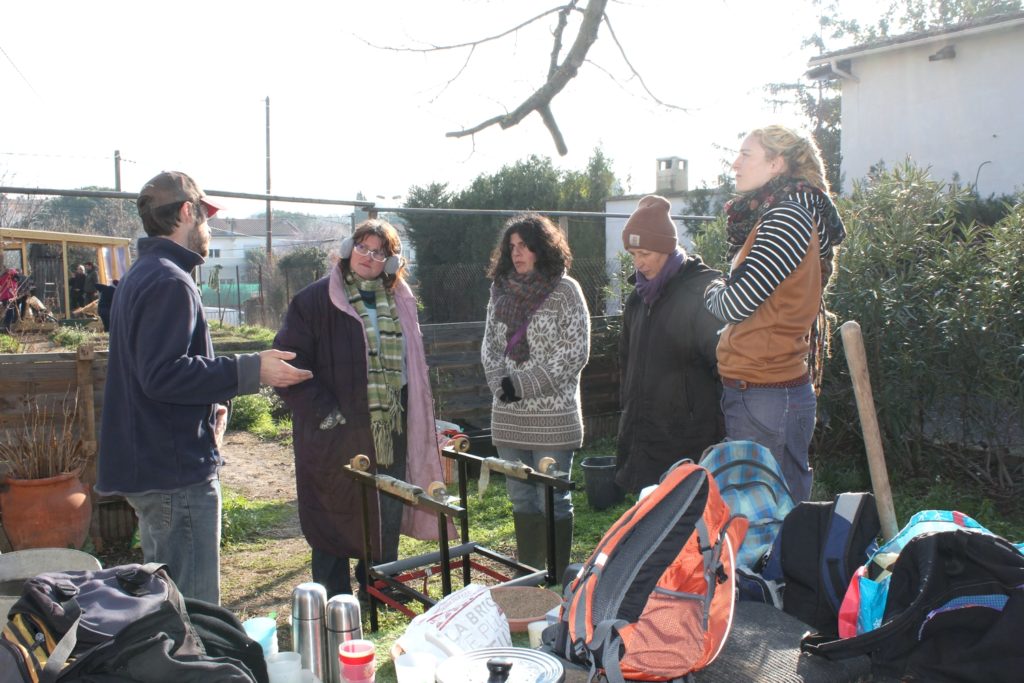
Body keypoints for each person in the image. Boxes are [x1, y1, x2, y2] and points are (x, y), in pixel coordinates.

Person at [96, 171, 312, 604]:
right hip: (174, 476)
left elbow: (148, 372)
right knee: (192, 611)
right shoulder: (170, 281)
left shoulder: (144, 275)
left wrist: (207, 406)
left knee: (167, 605)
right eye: (206, 217)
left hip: (157, 466)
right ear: (185, 211)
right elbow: (162, 375)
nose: (209, 228)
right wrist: (252, 370)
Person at [274, 219, 450, 598]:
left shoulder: (400, 300)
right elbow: (287, 364)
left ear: (391, 261)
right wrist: (325, 413)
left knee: (386, 504)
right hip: (334, 430)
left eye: (379, 252)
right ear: (346, 249)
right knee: (335, 511)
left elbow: (411, 365)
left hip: (390, 423)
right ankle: (334, 596)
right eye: (363, 247)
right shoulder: (314, 301)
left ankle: (380, 588)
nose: (369, 257)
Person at [703, 125, 846, 503]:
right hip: (760, 392)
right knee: (759, 515)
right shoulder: (777, 213)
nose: (735, 163)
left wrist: (711, 288)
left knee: (770, 519)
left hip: (767, 396)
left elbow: (735, 303)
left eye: (746, 154)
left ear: (776, 163)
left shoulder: (787, 217)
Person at [481, 213, 590, 578]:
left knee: (553, 497)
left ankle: (557, 577)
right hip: (509, 414)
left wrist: (523, 384)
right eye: (511, 247)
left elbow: (575, 351)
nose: (517, 253)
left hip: (553, 417)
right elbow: (489, 348)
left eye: (525, 245)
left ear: (542, 248)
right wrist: (501, 385)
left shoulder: (565, 291)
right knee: (521, 497)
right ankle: (529, 573)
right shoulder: (499, 292)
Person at [614, 195, 726, 493]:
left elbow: (725, 367)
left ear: (666, 248)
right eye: (633, 253)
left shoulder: (701, 294)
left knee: (686, 533)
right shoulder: (637, 299)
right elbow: (626, 364)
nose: (638, 262)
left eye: (645, 253)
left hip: (687, 444)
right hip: (642, 437)